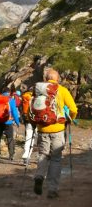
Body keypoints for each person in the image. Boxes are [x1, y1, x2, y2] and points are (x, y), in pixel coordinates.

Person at [33, 69, 77, 199]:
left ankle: (39, 176)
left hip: (42, 128)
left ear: (46, 78)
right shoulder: (62, 90)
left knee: (43, 154)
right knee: (56, 159)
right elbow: (73, 109)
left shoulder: (39, 89)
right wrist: (70, 119)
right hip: (58, 129)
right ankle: (52, 189)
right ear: (57, 79)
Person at [0, 87, 20, 162]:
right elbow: (14, 112)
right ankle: (11, 155)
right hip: (8, 122)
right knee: (10, 138)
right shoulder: (11, 100)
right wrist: (17, 122)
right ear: (9, 92)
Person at [20, 86, 36, 164]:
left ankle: (25, 156)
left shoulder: (24, 97)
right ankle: (28, 156)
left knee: (28, 137)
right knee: (32, 139)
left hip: (26, 119)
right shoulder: (34, 99)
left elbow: (20, 108)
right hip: (34, 121)